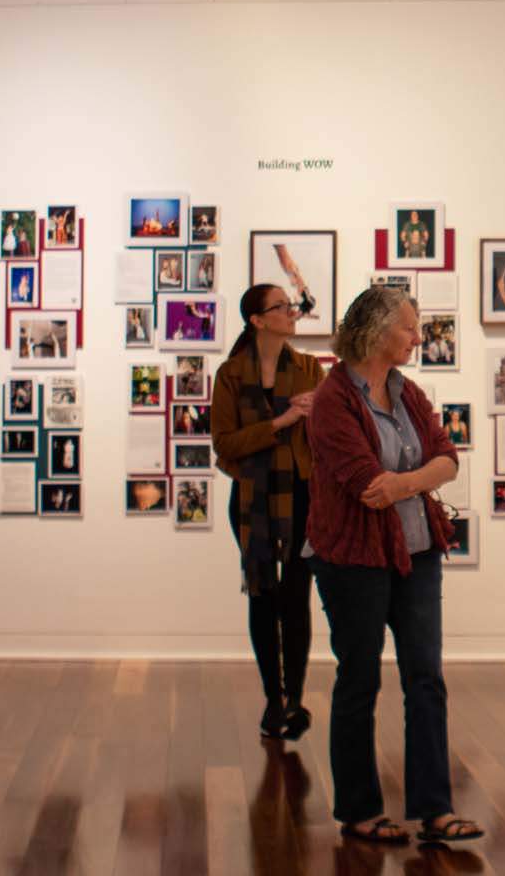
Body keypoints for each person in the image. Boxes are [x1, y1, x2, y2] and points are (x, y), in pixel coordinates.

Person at [306, 286, 483, 847]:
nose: (417, 336)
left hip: (417, 551)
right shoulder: (334, 400)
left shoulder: (409, 394)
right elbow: (364, 485)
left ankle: (434, 808)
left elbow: (446, 459)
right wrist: (415, 478)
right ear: (377, 332)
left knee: (425, 679)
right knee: (359, 680)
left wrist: (407, 482)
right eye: (409, 328)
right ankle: (360, 810)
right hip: (352, 558)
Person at [211, 283, 325, 742]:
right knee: (263, 595)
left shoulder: (309, 368)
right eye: (281, 306)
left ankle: (295, 698)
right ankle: (272, 698)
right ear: (258, 320)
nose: (291, 312)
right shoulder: (232, 375)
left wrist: (316, 415)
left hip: (300, 495)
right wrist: (281, 421)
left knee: (296, 596)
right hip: (252, 498)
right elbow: (224, 444)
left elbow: (326, 439)